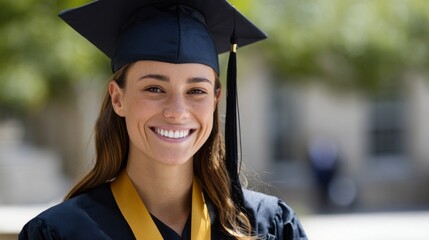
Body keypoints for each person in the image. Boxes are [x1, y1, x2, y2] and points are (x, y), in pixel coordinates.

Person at [19, 0, 307, 239]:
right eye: (154, 89)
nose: (177, 111)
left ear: (216, 98)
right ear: (118, 99)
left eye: (196, 90)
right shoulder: (60, 233)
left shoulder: (268, 227)